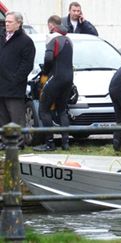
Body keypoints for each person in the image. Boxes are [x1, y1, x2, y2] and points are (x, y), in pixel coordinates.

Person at [33, 15, 74, 152]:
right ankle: (65, 143)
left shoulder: (52, 38)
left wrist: (45, 72)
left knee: (43, 109)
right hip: (69, 78)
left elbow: (49, 58)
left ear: (51, 25)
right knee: (62, 110)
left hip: (55, 77)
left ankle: (49, 143)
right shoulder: (69, 39)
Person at [0, 11, 36, 150]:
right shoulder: (1, 37)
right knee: (2, 117)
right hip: (1, 84)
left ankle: (19, 143)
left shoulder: (25, 41)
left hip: (15, 87)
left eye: (10, 22)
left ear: (18, 23)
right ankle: (4, 141)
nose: (6, 23)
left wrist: (15, 79)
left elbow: (27, 65)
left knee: (16, 117)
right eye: (6, 21)